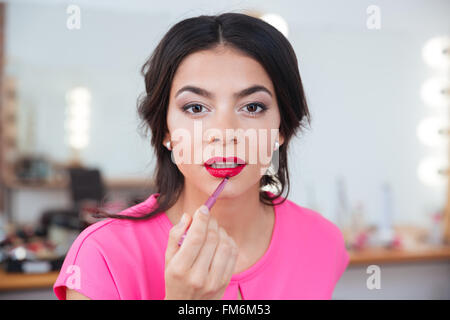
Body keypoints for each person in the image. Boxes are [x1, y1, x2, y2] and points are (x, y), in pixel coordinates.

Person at [53, 12, 349, 300]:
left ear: (281, 128)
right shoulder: (101, 256)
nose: (224, 133)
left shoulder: (323, 242)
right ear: (165, 130)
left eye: (253, 107)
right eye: (195, 108)